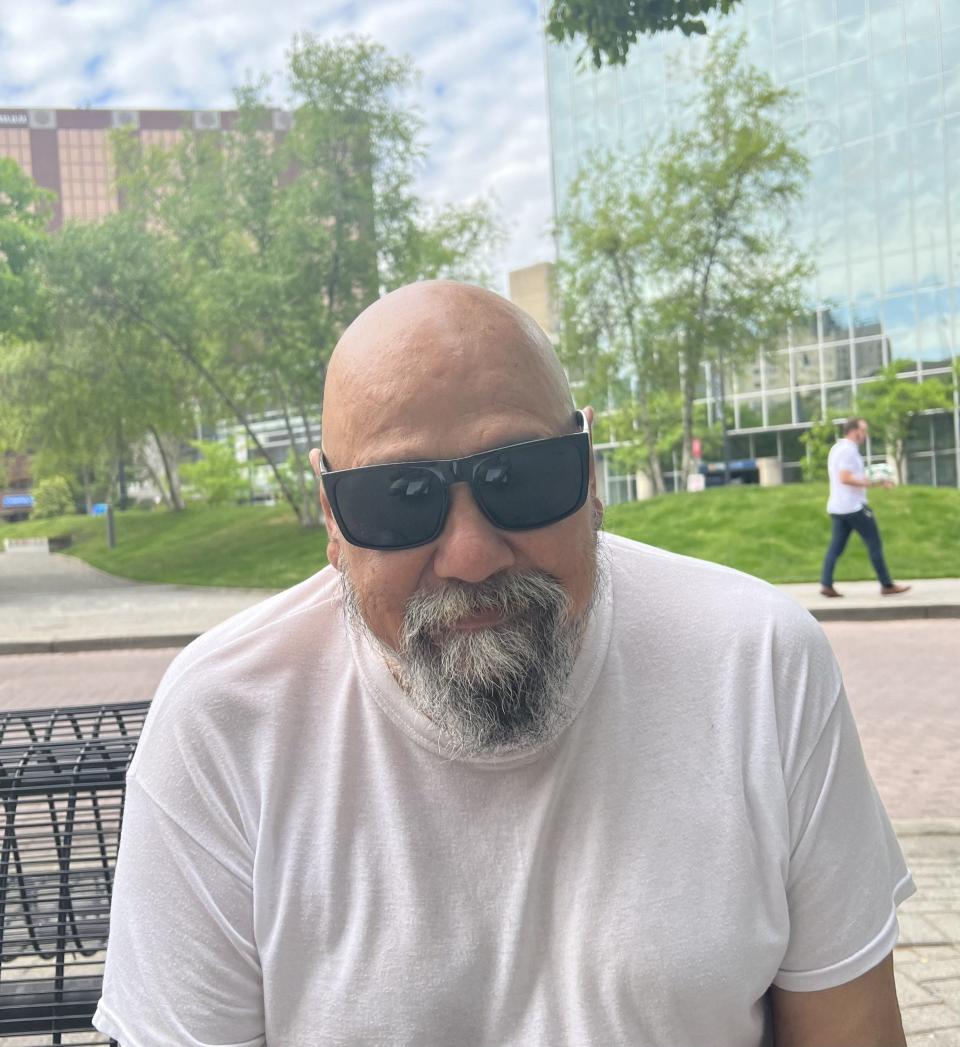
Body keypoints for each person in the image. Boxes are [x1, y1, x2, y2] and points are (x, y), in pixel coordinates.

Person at [94, 282, 914, 1047]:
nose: (473, 554)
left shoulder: (759, 662)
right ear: (332, 516)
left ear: (588, 470)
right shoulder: (223, 723)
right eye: (398, 497)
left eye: (519, 478)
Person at [820, 416, 911, 598]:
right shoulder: (848, 450)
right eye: (864, 430)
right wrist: (872, 482)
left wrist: (874, 482)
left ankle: (826, 584)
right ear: (854, 431)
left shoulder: (837, 447)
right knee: (874, 544)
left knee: (836, 548)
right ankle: (887, 585)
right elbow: (845, 478)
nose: (865, 434)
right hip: (853, 507)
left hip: (838, 507)